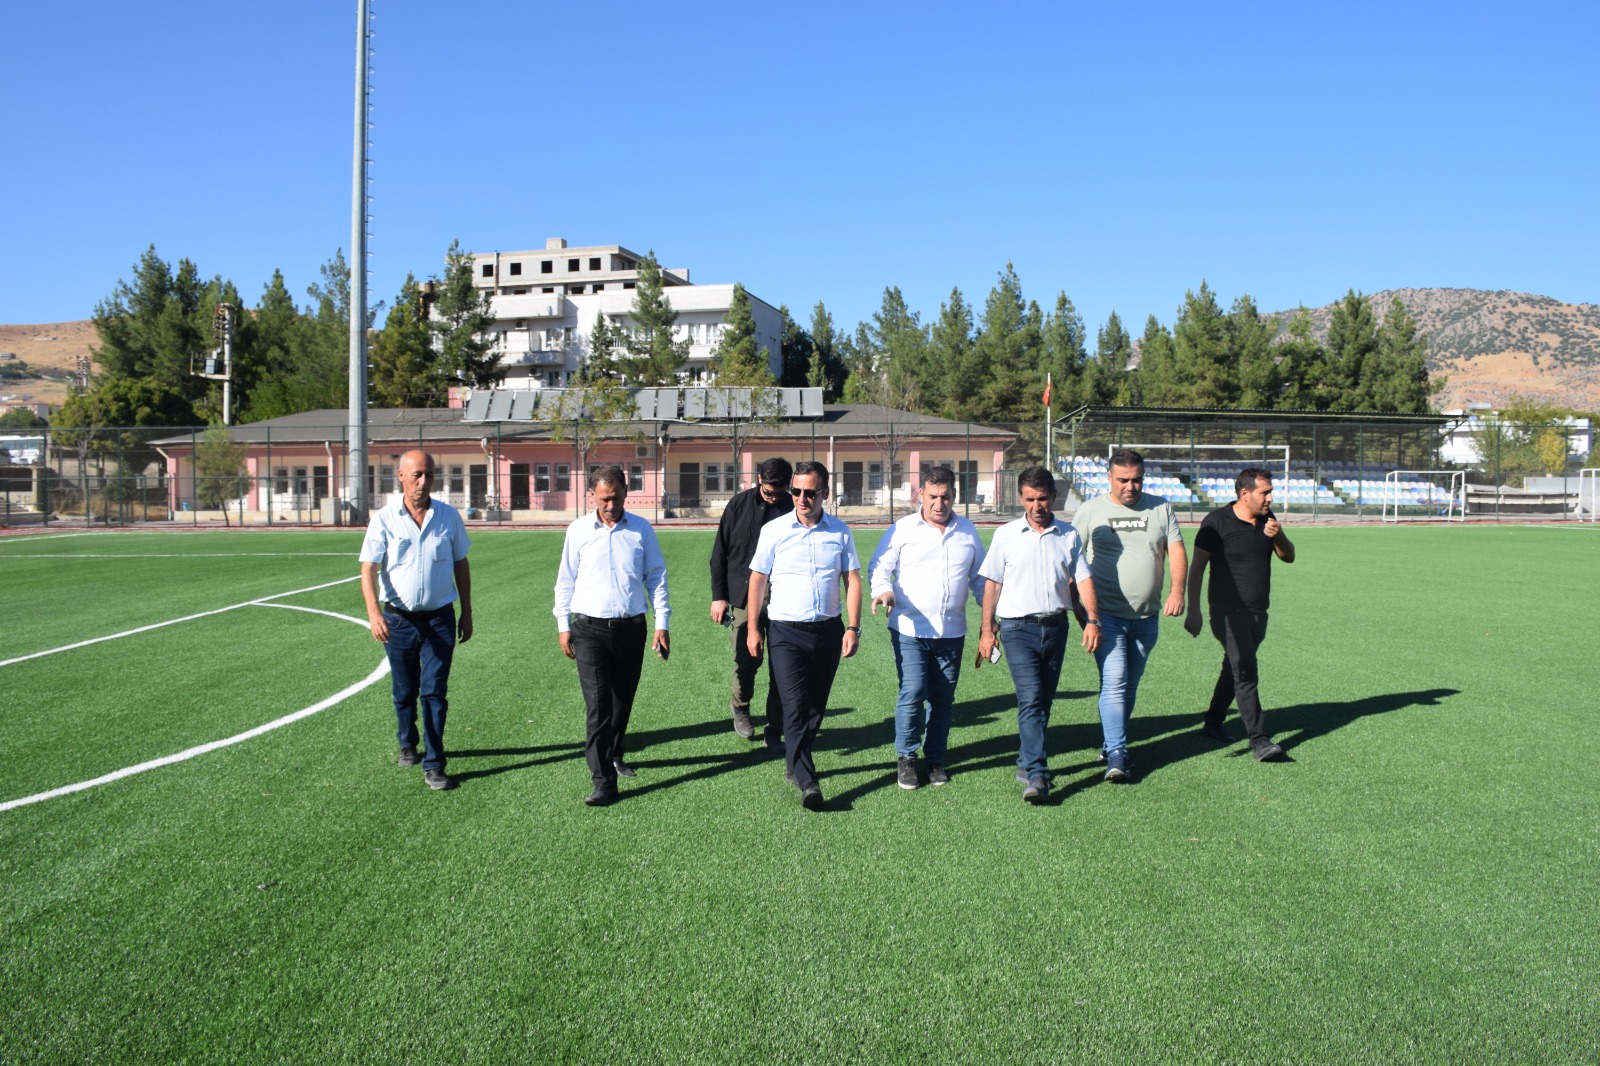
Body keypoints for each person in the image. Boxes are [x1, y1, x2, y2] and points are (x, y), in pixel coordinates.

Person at [978, 466, 1101, 804]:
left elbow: (1083, 580)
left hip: (1056, 627)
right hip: (1017, 629)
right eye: (1030, 499)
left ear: (1053, 497)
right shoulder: (1005, 535)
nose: (1036, 506)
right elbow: (992, 584)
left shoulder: (1069, 535)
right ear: (1021, 498)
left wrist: (1093, 620)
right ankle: (1037, 773)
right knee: (1031, 698)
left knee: (1044, 701)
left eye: (1043, 498)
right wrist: (987, 631)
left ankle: (1026, 758)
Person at [746, 461, 861, 810]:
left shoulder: (840, 532)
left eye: (810, 492)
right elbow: (758, 579)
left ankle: (795, 758)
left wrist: (853, 627)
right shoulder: (774, 530)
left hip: (828, 631)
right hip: (785, 632)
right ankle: (808, 781)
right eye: (796, 491)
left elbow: (852, 579)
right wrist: (752, 628)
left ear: (824, 493)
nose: (801, 498)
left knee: (815, 708)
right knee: (795, 707)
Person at [553, 465, 671, 806]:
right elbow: (565, 579)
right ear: (592, 495)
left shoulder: (641, 529)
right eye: (604, 499)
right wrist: (563, 625)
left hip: (631, 628)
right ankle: (603, 780)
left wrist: (662, 623)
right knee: (598, 705)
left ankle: (615, 751)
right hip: (588, 630)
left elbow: (656, 577)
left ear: (625, 493)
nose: (610, 505)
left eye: (616, 498)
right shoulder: (578, 530)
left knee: (622, 701)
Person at [359, 449, 474, 792]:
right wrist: (374, 613)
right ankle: (407, 740)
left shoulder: (449, 517)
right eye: (417, 475)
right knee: (405, 690)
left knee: (434, 692)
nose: (423, 481)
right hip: (398, 621)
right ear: (401, 477)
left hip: (439, 620)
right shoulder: (384, 519)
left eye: (429, 474)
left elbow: (461, 563)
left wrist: (467, 611)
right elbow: (368, 568)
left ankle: (435, 763)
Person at [867, 464, 986, 789]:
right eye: (933, 496)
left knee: (943, 699)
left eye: (945, 496)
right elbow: (879, 566)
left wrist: (992, 611)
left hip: (952, 632)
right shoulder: (903, 529)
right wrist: (884, 590)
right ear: (921, 494)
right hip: (909, 629)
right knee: (913, 691)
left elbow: (979, 578)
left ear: (954, 495)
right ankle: (907, 757)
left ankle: (935, 759)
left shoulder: (967, 531)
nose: (939, 503)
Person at [1072, 449, 1187, 782]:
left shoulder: (1161, 508)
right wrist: (1084, 613)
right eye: (1123, 480)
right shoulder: (1090, 510)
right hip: (1107, 616)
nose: (1130, 487)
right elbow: (1072, 559)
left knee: (1129, 686)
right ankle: (1118, 753)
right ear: (1109, 477)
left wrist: (1177, 592)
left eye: (1136, 480)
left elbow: (1176, 550)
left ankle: (1111, 744)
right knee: (1115, 682)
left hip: (1147, 617)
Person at [1184, 467, 1296, 761]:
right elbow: (1197, 568)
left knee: (1233, 667)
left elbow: (1289, 556)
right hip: (1226, 612)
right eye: (1265, 492)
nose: (1270, 498)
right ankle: (1259, 741)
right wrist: (1193, 610)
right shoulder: (1216, 522)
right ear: (1245, 494)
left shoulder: (1268, 519)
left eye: (1271, 492)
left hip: (1258, 611)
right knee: (1245, 669)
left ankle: (1212, 721)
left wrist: (1279, 535)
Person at [709, 457, 793, 746]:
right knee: (747, 659)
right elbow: (719, 552)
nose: (774, 497)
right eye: (769, 491)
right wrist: (719, 596)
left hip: (783, 596)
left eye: (780, 492)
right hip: (745, 597)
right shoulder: (738, 505)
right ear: (759, 479)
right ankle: (741, 706)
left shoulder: (793, 508)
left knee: (782, 664)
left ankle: (776, 725)